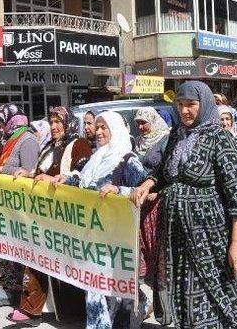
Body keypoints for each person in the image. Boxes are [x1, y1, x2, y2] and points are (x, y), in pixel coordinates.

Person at [133, 81, 237, 328]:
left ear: (204, 106)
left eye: (191, 105)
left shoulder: (220, 139)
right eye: (180, 105)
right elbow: (165, 173)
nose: (184, 111)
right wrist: (149, 183)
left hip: (209, 238)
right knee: (186, 296)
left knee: (225, 296)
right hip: (177, 240)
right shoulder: (175, 137)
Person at [8, 107, 92, 326]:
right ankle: (32, 308)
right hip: (43, 214)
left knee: (65, 262)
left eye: (58, 122)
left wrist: (59, 178)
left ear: (68, 123)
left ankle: (70, 311)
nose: (54, 127)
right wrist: (29, 174)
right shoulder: (48, 146)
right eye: (51, 122)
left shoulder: (79, 144)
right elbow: (39, 171)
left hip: (64, 216)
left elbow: (81, 173)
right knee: (37, 258)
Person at [69, 111, 149, 329]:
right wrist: (59, 179)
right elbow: (83, 185)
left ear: (116, 130)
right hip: (92, 238)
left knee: (115, 296)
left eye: (105, 127)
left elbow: (148, 193)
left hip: (117, 241)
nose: (99, 131)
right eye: (98, 127)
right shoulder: (96, 159)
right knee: (96, 292)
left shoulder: (128, 160)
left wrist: (119, 190)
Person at [0, 104, 39, 309]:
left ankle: (16, 292)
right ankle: (4, 288)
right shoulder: (6, 140)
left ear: (12, 120)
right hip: (3, 204)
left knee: (16, 250)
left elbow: (29, 171)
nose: (0, 126)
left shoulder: (27, 140)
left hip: (19, 206)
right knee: (0, 248)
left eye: (2, 121)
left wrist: (0, 168)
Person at [134, 108, 172, 326]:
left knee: (161, 260)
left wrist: (157, 190)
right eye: (138, 123)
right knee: (146, 257)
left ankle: (166, 311)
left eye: (144, 123)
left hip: (159, 205)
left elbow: (168, 171)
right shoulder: (137, 142)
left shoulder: (165, 140)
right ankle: (153, 307)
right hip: (141, 206)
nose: (141, 127)